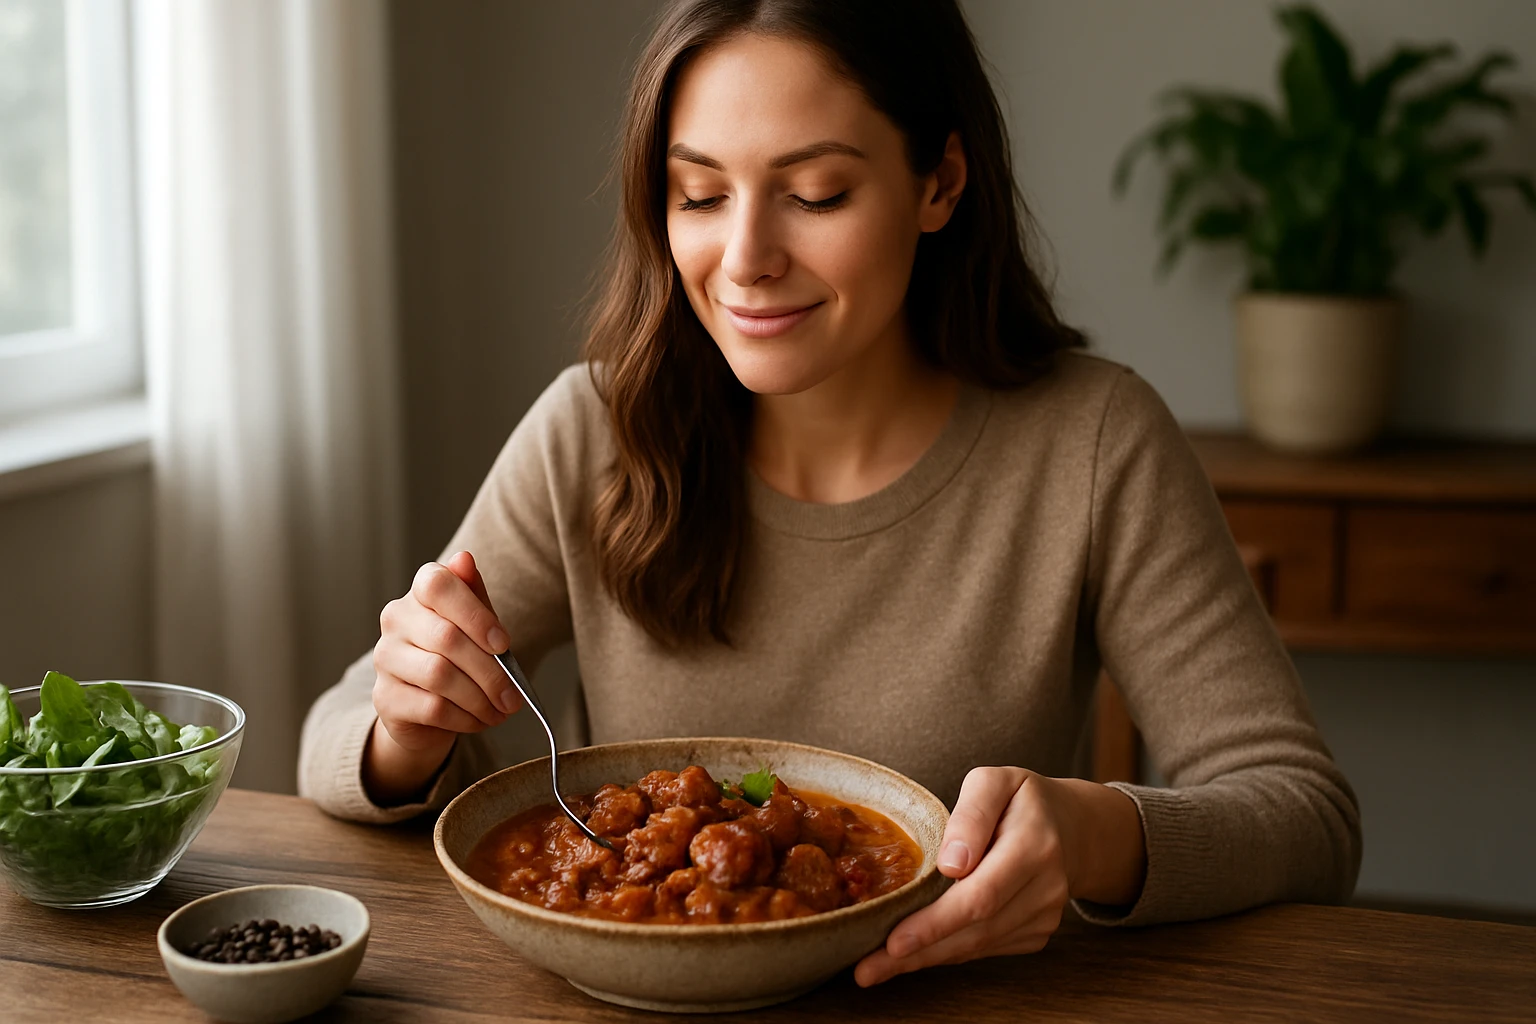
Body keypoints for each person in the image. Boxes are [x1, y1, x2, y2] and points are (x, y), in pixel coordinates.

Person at [299, 0, 1360, 987]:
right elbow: (337, 732)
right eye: (701, 195)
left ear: (940, 182)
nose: (746, 258)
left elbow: (1306, 817)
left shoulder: (1092, 440)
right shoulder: (596, 428)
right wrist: (411, 724)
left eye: (815, 194)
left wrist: (1091, 834)